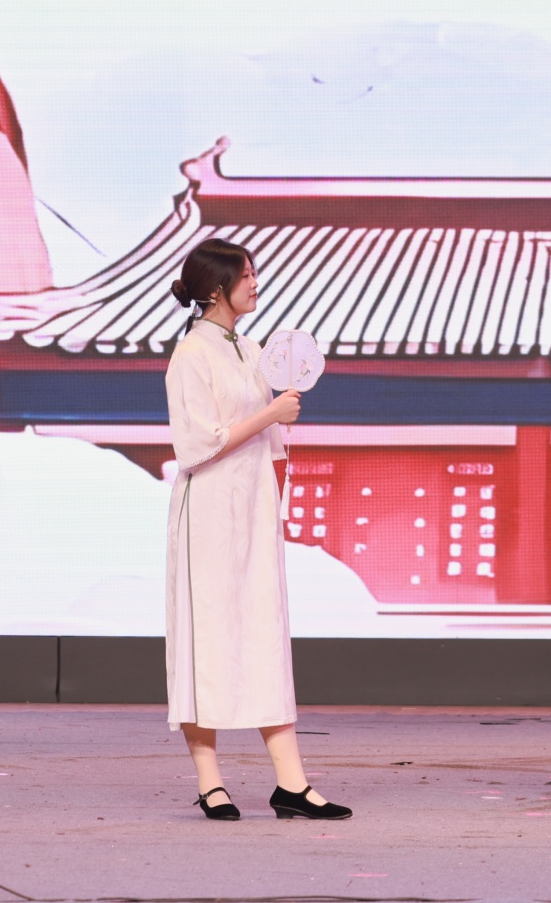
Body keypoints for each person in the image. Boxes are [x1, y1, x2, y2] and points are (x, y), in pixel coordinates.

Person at [163, 237, 351, 822]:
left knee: (265, 634)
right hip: (208, 514)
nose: (255, 282)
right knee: (207, 639)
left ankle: (291, 783)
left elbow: (269, 441)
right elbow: (197, 445)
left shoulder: (249, 349)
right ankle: (210, 782)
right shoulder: (191, 354)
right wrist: (270, 413)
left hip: (252, 510)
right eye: (246, 274)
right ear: (217, 287)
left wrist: (276, 484)